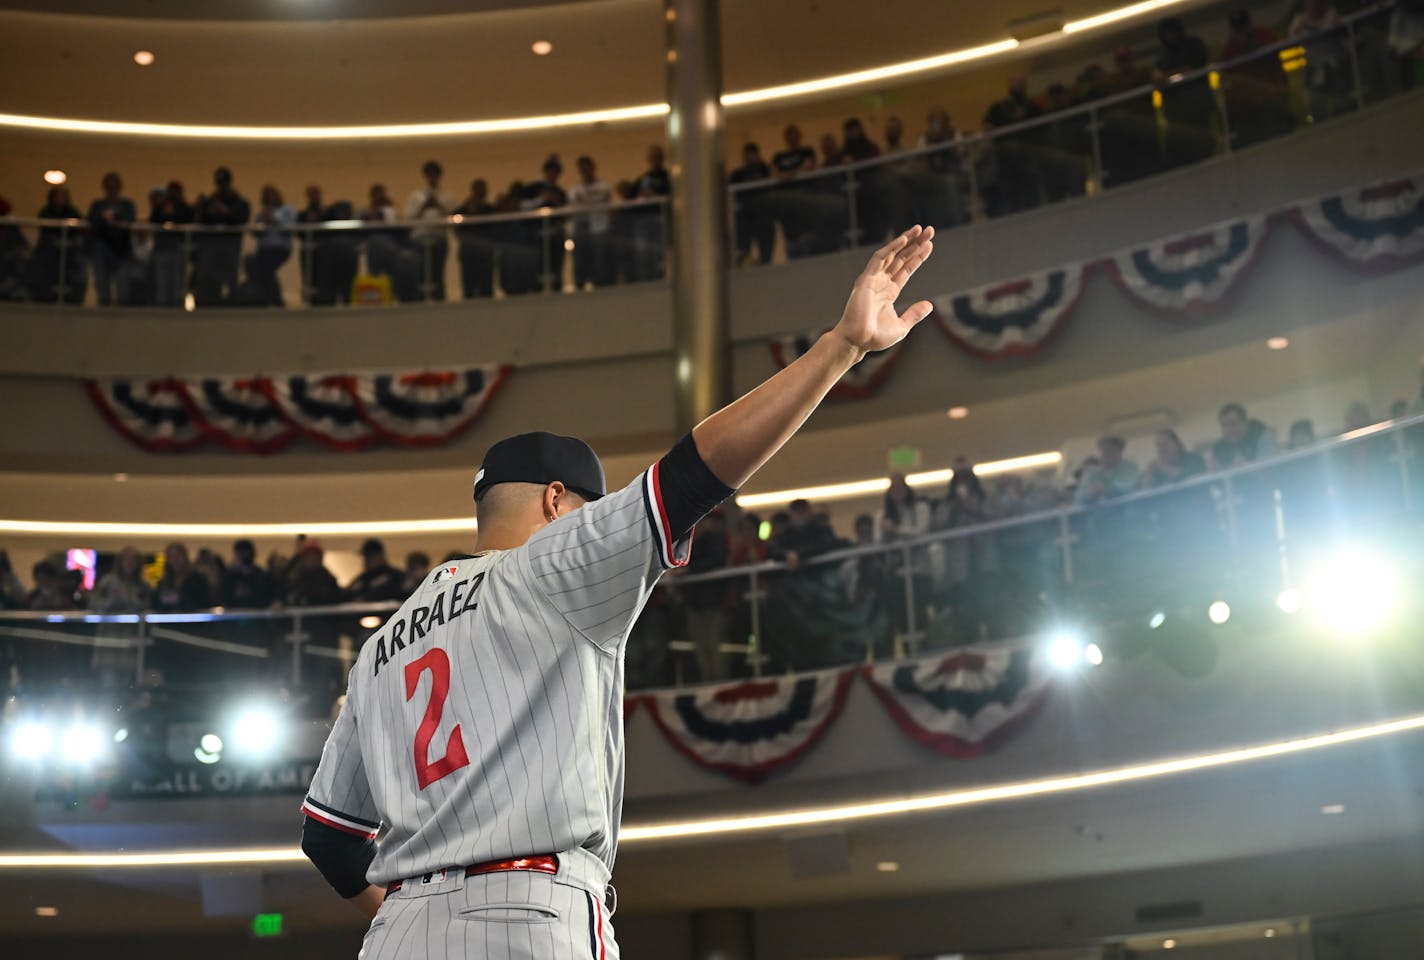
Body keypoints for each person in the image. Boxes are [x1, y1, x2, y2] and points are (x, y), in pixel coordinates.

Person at [299, 225, 937, 957]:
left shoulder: (379, 649)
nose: (597, 524)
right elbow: (694, 475)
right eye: (586, 509)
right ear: (554, 500)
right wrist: (842, 348)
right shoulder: (551, 565)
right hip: (527, 914)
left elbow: (330, 837)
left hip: (396, 935)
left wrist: (413, 919)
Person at [193, 167, 251, 306]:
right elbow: (201, 220)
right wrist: (204, 208)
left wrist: (226, 212)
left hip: (230, 245)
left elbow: (240, 219)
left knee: (230, 276)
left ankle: (231, 302)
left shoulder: (240, 202)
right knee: (209, 276)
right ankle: (209, 301)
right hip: (211, 245)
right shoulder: (209, 201)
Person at [406, 160, 455, 300]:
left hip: (438, 239)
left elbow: (452, 221)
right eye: (429, 175)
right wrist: (423, 208)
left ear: (439, 176)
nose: (432, 178)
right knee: (420, 274)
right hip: (419, 240)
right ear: (425, 176)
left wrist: (440, 207)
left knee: (438, 273)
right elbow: (409, 220)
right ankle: (420, 300)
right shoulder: (415, 197)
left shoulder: (447, 197)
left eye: (435, 175)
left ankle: (439, 299)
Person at [86, 172, 137, 306]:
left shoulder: (127, 205)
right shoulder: (97, 205)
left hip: (121, 251)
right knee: (102, 287)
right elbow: (92, 221)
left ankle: (121, 317)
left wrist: (114, 220)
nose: (112, 188)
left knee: (123, 288)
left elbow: (129, 220)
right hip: (102, 250)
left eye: (114, 185)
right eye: (109, 185)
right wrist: (105, 220)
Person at [27, 186, 85, 303]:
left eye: (63, 196)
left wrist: (69, 242)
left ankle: (73, 298)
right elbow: (45, 232)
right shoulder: (45, 212)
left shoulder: (72, 211)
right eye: (58, 196)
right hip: (49, 253)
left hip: (69, 253)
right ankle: (43, 296)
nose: (60, 199)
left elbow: (79, 226)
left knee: (77, 267)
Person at [567, 156, 614, 288]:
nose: (585, 171)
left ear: (593, 167)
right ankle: (581, 283)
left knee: (600, 258)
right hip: (583, 230)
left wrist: (587, 201)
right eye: (582, 168)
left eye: (587, 167)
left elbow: (605, 199)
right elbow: (577, 205)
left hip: (600, 228)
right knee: (582, 259)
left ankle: (601, 283)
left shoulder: (604, 186)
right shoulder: (575, 190)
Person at [245, 185, 295, 306]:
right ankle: (266, 298)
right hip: (264, 249)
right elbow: (256, 232)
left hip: (280, 248)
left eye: (271, 194)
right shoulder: (261, 213)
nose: (269, 198)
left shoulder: (287, 210)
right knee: (261, 270)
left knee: (266, 270)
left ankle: (276, 299)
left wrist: (274, 219)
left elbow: (289, 228)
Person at [728, 142, 774, 266]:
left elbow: (771, 177)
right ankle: (745, 263)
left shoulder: (764, 169)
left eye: (752, 155)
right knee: (743, 246)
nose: (750, 158)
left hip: (763, 214)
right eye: (747, 155)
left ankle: (764, 264)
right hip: (745, 216)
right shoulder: (738, 174)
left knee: (765, 244)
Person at [149, 180, 194, 308]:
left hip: (178, 248)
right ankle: (161, 304)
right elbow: (153, 220)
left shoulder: (185, 208)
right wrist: (164, 212)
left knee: (177, 281)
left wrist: (173, 214)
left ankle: (178, 305)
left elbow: (188, 218)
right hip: (161, 249)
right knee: (162, 281)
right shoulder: (160, 207)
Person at [1074, 435, 1142, 505]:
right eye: (1103, 450)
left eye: (1111, 450)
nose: (1106, 453)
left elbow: (1130, 488)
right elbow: (1078, 498)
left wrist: (1105, 491)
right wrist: (1089, 494)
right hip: (1098, 514)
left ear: (1120, 452)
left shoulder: (1129, 468)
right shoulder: (1092, 473)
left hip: (1125, 512)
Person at [1211, 402, 1277, 468]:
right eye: (1224, 425)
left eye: (1233, 423)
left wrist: (1244, 467)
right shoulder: (1220, 447)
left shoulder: (1261, 436)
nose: (1228, 429)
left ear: (1245, 422)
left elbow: (1267, 468)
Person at [151, 543, 213, 612]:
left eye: (177, 556)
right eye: (171, 556)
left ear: (184, 557)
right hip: (169, 620)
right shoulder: (164, 582)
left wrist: (181, 599)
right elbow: (155, 604)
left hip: (191, 619)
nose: (174, 560)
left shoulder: (197, 579)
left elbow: (203, 602)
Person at [90, 546, 152, 614]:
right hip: (110, 623)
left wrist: (134, 601)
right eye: (126, 559)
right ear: (120, 562)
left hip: (134, 623)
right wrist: (111, 601)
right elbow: (94, 604)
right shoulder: (107, 582)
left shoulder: (143, 585)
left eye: (133, 560)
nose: (130, 563)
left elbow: (149, 607)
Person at [346, 539, 407, 603]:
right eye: (365, 558)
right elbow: (346, 594)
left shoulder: (395, 575)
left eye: (370, 557)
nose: (366, 561)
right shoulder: (363, 578)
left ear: (380, 556)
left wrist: (366, 599)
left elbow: (397, 593)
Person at [1141, 428, 1207, 487]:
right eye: (1158, 445)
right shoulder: (1156, 469)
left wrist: (1163, 467)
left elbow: (1184, 476)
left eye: (1164, 444)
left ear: (1177, 445)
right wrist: (1149, 476)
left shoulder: (1194, 459)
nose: (1161, 449)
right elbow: (1144, 488)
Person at [221, 539, 276, 609]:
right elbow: (224, 600)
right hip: (236, 616)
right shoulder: (229, 577)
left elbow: (269, 598)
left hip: (257, 616)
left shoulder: (263, 577)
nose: (243, 557)